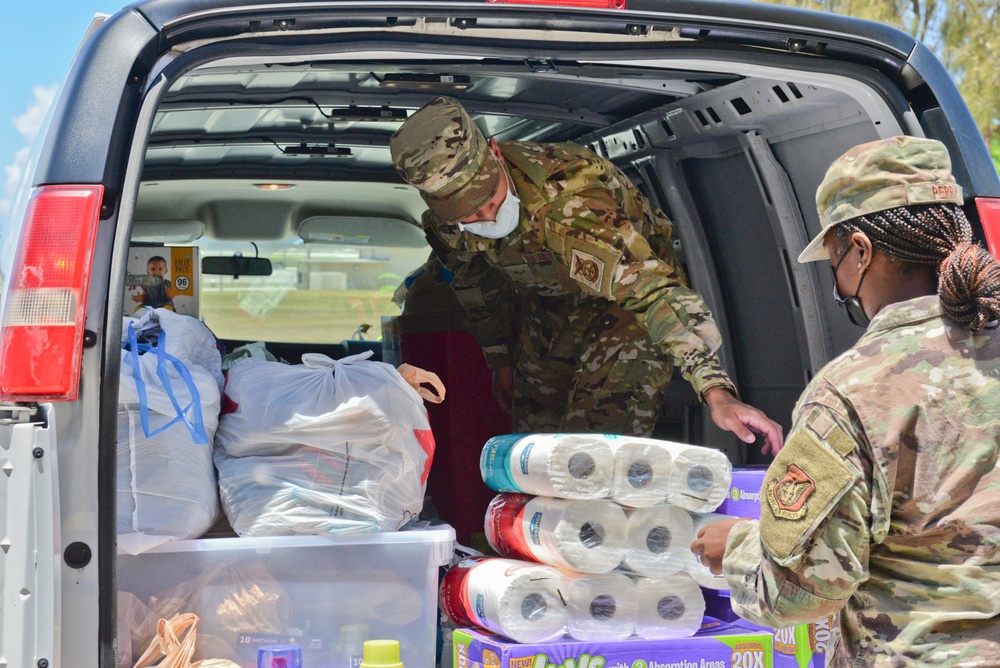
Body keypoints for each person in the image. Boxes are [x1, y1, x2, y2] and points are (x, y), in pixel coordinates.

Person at [691, 135, 1000, 665]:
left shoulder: (853, 390)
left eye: (834, 261)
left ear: (859, 251)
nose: (840, 283)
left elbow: (801, 588)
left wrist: (736, 547)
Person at [390, 96, 782, 454]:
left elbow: (652, 291)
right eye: (470, 216)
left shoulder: (569, 203)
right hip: (546, 304)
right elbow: (478, 285)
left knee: (592, 452)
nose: (487, 219)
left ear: (495, 152)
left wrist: (716, 391)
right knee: (532, 451)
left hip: (625, 308)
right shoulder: (447, 227)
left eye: (490, 201)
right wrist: (502, 359)